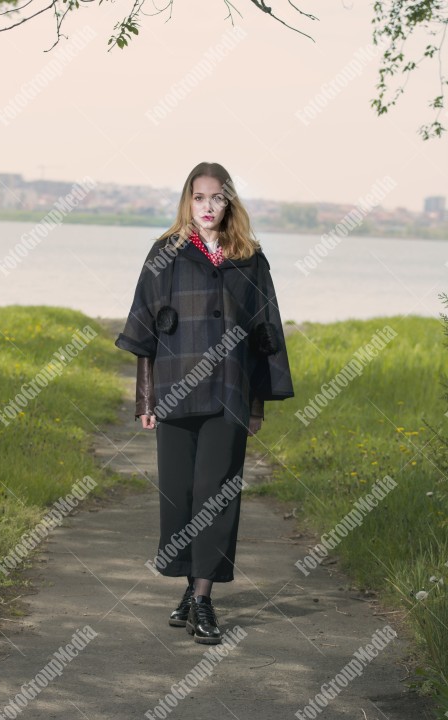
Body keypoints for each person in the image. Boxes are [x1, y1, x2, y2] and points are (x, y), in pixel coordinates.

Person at [115, 161, 294, 644]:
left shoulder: (251, 258)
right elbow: (145, 328)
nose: (207, 207)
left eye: (216, 198)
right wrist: (146, 399)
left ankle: (204, 599)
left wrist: (257, 406)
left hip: (230, 395)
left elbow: (265, 335)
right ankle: (191, 589)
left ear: (229, 201)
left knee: (216, 497)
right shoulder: (164, 254)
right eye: (199, 198)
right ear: (187, 202)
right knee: (181, 497)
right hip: (175, 393)